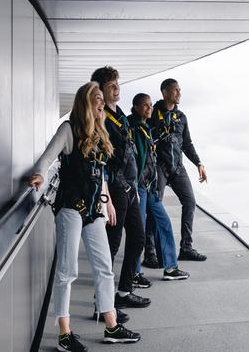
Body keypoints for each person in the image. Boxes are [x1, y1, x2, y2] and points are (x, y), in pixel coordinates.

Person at [28, 82, 141, 351]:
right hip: (69, 208)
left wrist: (108, 202)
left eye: (103, 99)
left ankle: (111, 325)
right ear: (85, 102)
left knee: (104, 268)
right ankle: (65, 334)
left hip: (94, 211)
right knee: (67, 272)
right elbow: (46, 158)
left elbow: (99, 175)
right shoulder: (69, 130)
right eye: (97, 98)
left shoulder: (100, 134)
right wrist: (41, 175)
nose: (102, 103)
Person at [90, 66, 151, 307]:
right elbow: (102, 159)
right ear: (101, 90)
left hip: (129, 188)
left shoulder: (121, 115)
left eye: (118, 84)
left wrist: (134, 184)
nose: (117, 89)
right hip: (115, 189)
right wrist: (107, 198)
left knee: (138, 238)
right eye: (112, 85)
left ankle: (124, 292)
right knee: (111, 246)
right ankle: (102, 301)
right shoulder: (101, 117)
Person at [128, 93, 190, 280]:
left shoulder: (147, 126)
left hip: (149, 186)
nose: (149, 108)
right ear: (136, 107)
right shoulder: (132, 127)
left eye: (150, 105)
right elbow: (132, 161)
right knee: (137, 231)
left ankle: (170, 268)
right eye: (145, 106)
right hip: (138, 187)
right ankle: (134, 272)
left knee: (163, 223)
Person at [150, 78, 208, 261]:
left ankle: (186, 248)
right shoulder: (152, 113)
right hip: (158, 167)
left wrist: (199, 163)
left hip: (177, 168)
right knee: (154, 207)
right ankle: (150, 251)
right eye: (175, 90)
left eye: (179, 90)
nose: (179, 93)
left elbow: (187, 144)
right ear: (164, 92)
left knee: (190, 202)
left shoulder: (181, 117)